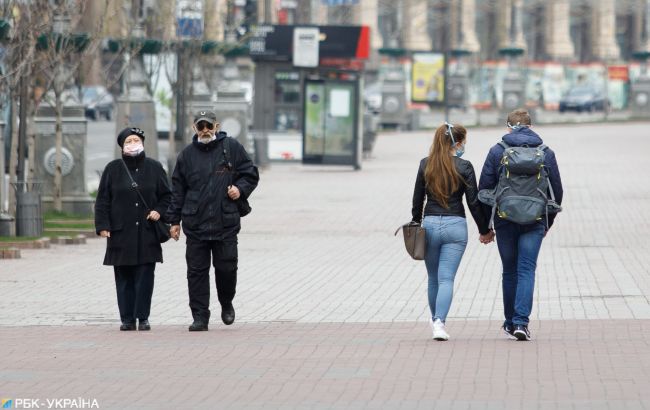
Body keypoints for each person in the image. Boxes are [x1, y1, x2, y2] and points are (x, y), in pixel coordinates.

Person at [167, 110, 259, 331]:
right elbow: (177, 190)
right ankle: (200, 316)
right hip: (196, 224)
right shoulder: (186, 156)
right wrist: (174, 221)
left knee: (227, 269)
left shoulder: (231, 148)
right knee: (196, 273)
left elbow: (250, 173)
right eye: (201, 126)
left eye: (209, 125)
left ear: (217, 126)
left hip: (225, 223)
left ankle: (226, 303)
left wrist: (240, 188)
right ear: (194, 129)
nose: (206, 130)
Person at [478, 109, 563, 341]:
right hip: (535, 220)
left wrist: (487, 226)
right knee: (527, 269)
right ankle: (521, 323)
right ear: (530, 126)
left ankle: (509, 321)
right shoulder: (546, 153)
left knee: (510, 270)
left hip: (504, 220)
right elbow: (557, 192)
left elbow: (484, 189)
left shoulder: (497, 151)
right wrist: (547, 223)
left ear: (508, 126)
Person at [412, 122, 493, 341]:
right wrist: (485, 229)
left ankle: (436, 320)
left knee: (433, 278)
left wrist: (415, 224)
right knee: (446, 278)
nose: (464, 146)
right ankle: (439, 321)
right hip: (455, 226)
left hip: (429, 224)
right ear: (457, 143)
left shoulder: (425, 165)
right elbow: (474, 202)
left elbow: (417, 200)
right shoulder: (465, 166)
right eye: (464, 142)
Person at [95, 127, 172, 331]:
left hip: (147, 232)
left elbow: (167, 196)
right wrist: (103, 225)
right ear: (122, 146)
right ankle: (127, 319)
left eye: (136, 140)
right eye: (128, 141)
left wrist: (158, 211)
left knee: (145, 277)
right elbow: (102, 199)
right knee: (124, 278)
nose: (132, 144)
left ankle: (143, 317)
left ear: (143, 143)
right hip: (120, 233)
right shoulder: (113, 169)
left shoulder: (155, 167)